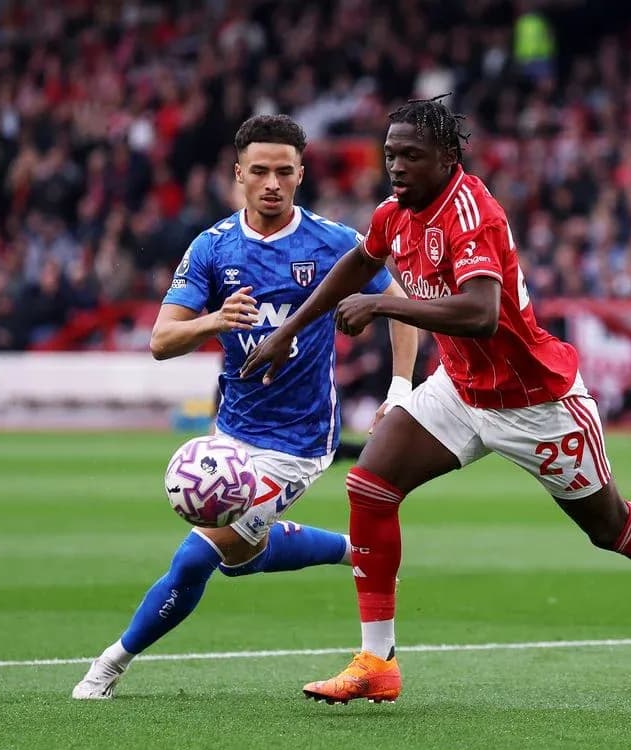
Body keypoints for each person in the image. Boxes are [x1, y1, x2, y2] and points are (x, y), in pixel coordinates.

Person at [242, 98, 631, 704]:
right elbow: (356, 265)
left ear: (447, 159)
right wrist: (289, 330)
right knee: (370, 485)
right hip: (462, 388)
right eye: (390, 154)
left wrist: (385, 304)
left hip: (534, 402)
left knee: (612, 526)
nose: (395, 167)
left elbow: (481, 312)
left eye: (410, 156)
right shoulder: (396, 212)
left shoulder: (472, 213)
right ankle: (376, 660)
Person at [73, 114, 418, 699]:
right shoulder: (213, 248)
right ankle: (347, 547)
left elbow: (398, 300)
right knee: (241, 558)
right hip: (230, 431)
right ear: (238, 175)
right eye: (259, 172)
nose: (272, 184)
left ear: (301, 173)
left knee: (196, 556)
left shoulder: (334, 243)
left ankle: (109, 664)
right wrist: (214, 320)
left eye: (285, 172)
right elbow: (161, 341)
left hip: (299, 443)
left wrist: (401, 388)